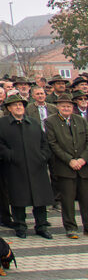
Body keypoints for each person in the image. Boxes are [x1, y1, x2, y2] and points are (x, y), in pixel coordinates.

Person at [0, 93, 54, 239]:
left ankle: (42, 225)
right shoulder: (2, 124)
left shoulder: (33, 122)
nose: (19, 107)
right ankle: (20, 226)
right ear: (9, 108)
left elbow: (44, 142)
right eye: (15, 105)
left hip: (36, 166)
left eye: (21, 104)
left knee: (40, 199)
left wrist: (43, 156)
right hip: (15, 167)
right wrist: (11, 156)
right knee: (18, 199)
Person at [46, 93, 88, 239]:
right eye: (63, 106)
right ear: (58, 107)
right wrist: (69, 160)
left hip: (83, 167)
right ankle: (71, 228)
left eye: (69, 106)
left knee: (85, 199)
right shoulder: (50, 121)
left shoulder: (81, 120)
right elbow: (53, 144)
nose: (66, 108)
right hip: (65, 167)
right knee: (68, 200)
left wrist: (83, 159)